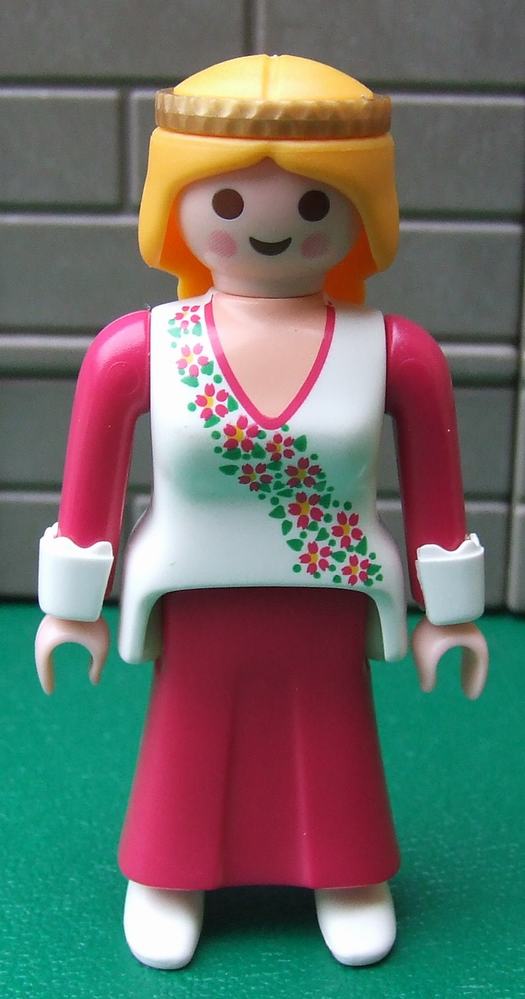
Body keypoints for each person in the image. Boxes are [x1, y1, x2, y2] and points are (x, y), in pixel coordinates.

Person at [35, 54, 488, 970]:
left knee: (332, 731)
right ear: (175, 203)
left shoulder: (393, 352)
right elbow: (88, 493)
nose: (270, 227)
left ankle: (345, 872)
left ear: (361, 210)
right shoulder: (142, 349)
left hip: (329, 593)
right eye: (229, 201)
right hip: (195, 593)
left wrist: (451, 615)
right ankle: (170, 873)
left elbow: (437, 493)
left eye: (315, 203)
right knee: (190, 731)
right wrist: (71, 605)